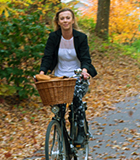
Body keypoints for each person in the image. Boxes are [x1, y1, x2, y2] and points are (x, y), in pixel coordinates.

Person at [39, 8, 97, 146]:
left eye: (67, 18)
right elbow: (47, 57)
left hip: (78, 77)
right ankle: (62, 134)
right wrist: (42, 73)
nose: (65, 20)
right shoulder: (54, 37)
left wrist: (84, 71)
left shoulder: (80, 37)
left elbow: (85, 58)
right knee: (59, 108)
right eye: (62, 18)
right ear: (58, 22)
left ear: (72, 20)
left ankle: (81, 131)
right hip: (60, 78)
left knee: (76, 98)